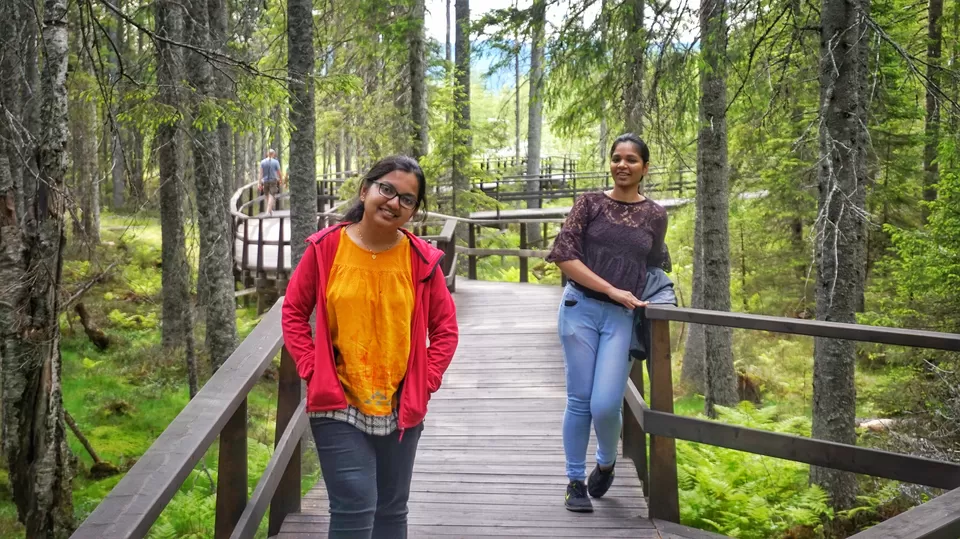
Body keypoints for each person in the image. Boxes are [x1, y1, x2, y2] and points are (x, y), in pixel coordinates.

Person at [281, 155, 459, 538]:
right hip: (337, 400)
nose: (394, 203)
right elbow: (294, 311)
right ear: (365, 191)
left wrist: (427, 379)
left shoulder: (421, 260)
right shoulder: (326, 249)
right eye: (387, 190)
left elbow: (445, 329)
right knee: (354, 505)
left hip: (400, 402)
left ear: (413, 211)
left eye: (407, 199)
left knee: (392, 510)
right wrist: (311, 367)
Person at [545, 133, 668, 513]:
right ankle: (574, 481)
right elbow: (563, 255)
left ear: (644, 168)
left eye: (631, 159)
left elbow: (654, 264)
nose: (622, 165)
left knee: (605, 403)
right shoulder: (589, 204)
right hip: (579, 309)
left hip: (622, 318)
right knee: (580, 399)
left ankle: (606, 462)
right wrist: (612, 289)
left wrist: (658, 300)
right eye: (617, 158)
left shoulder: (655, 215)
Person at [259, 149, 283, 215]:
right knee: (271, 195)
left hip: (265, 181)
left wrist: (259, 183)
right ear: (273, 154)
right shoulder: (276, 162)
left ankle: (270, 210)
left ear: (267, 154)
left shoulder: (262, 162)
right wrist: (281, 179)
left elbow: (260, 173)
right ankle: (267, 211)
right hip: (273, 180)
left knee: (267, 195)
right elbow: (279, 172)